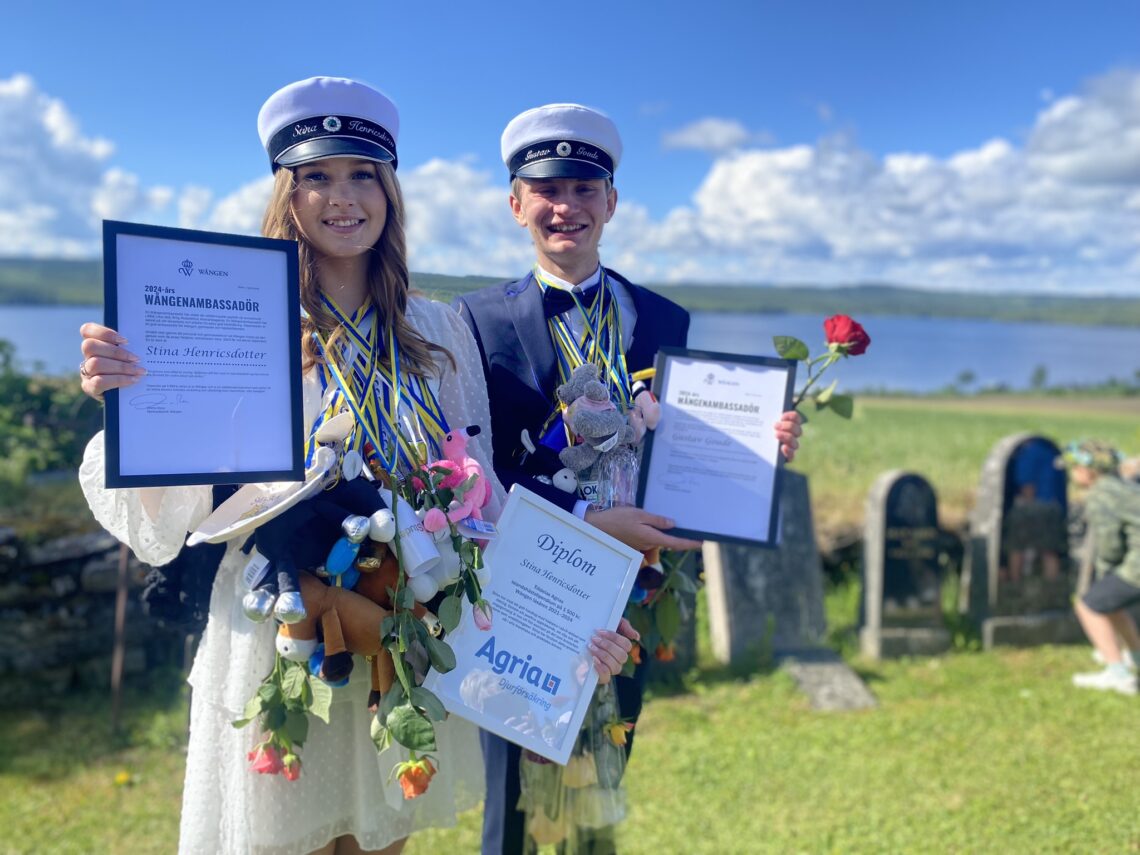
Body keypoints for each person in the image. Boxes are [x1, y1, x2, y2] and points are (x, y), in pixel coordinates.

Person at [77, 78, 633, 855]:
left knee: (380, 842)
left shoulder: (437, 329)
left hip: (400, 625)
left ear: (390, 192)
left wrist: (577, 613)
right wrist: (129, 397)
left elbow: (485, 497)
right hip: (277, 627)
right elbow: (162, 509)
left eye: (363, 175)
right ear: (287, 193)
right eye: (318, 177)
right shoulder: (238, 321)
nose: (344, 198)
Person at [454, 103, 802, 854]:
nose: (565, 206)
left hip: (635, 585)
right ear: (516, 203)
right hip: (528, 582)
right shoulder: (473, 320)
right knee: (512, 800)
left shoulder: (662, 318)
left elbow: (688, 443)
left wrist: (759, 445)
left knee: (604, 774)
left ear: (611, 202)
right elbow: (476, 468)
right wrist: (581, 516)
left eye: (585, 187)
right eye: (546, 188)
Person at [1066, 439, 1140, 696]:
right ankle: (1134, 657)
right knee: (1112, 604)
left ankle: (1117, 673)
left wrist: (1107, 570)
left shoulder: (1100, 494)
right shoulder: (1123, 486)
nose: (1072, 473)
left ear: (1088, 471)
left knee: (1088, 605)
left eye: (1074, 467)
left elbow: (1109, 543)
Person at [1002, 437, 1067, 582]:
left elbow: (1027, 486)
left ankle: (1015, 584)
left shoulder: (1028, 453)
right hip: (1053, 507)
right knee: (1049, 550)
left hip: (1033, 507)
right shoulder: (1051, 452)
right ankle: (1052, 588)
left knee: (1016, 547)